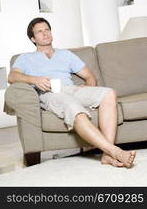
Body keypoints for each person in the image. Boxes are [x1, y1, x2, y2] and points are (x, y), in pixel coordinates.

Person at [8, 17, 136, 168]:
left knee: (109, 93)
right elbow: (12, 77)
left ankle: (107, 155)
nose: (45, 34)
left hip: (72, 90)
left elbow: (89, 76)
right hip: (50, 93)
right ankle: (114, 151)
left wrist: (87, 87)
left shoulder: (66, 55)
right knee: (74, 108)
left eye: (47, 30)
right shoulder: (26, 58)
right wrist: (35, 80)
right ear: (33, 38)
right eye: (40, 32)